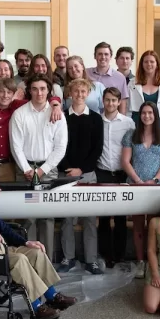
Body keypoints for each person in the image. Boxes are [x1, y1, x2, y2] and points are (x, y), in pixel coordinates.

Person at [0, 172, 76, 319]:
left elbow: (5, 230)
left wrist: (25, 242)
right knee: (19, 259)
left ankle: (53, 296)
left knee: (36, 252)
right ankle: (37, 307)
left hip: (0, 249)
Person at [9, 74, 67, 255]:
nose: (39, 93)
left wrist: (42, 170)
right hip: (25, 170)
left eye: (43, 89)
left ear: (49, 91)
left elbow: (60, 147)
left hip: (48, 171)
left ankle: (47, 261)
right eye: (35, 89)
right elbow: (15, 146)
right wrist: (27, 169)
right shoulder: (19, 114)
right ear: (29, 91)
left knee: (47, 218)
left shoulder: (57, 114)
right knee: (28, 217)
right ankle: (30, 260)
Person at [0, 77, 61, 182]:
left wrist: (55, 104)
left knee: (9, 197)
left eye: (9, 92)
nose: (5, 96)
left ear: (13, 94)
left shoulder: (18, 107)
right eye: (2, 91)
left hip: (9, 166)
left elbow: (40, 100)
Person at [57, 78, 104, 274]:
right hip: (66, 174)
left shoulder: (95, 118)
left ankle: (91, 259)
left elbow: (97, 149)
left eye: (83, 91)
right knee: (67, 218)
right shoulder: (61, 118)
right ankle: (68, 258)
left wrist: (81, 170)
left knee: (90, 219)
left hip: (88, 174)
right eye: (75, 91)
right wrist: (69, 169)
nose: (79, 94)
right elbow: (57, 146)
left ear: (88, 93)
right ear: (69, 93)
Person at [122, 102, 160, 278]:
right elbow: (125, 161)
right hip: (136, 186)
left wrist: (155, 180)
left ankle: (153, 262)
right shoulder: (131, 135)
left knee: (153, 225)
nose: (147, 116)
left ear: (155, 115)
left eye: (150, 113)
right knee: (137, 226)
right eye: (143, 113)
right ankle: (140, 261)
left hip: (156, 187)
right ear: (139, 115)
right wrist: (138, 181)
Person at [97, 87, 136, 267]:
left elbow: (133, 149)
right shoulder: (97, 120)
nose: (111, 103)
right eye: (107, 100)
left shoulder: (128, 123)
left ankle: (120, 255)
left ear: (119, 102)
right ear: (103, 101)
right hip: (103, 172)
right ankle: (106, 255)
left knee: (120, 217)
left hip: (122, 173)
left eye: (114, 100)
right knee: (104, 216)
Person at [129, 50, 160, 130]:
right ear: (142, 64)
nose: (149, 64)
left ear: (157, 64)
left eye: (152, 61)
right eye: (146, 62)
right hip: (137, 125)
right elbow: (127, 109)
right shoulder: (132, 84)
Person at [86, 42, 129, 114]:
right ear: (95, 56)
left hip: (111, 120)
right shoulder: (86, 73)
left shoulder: (120, 77)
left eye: (106, 54)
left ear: (110, 57)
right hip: (89, 119)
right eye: (100, 54)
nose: (103, 57)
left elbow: (122, 103)